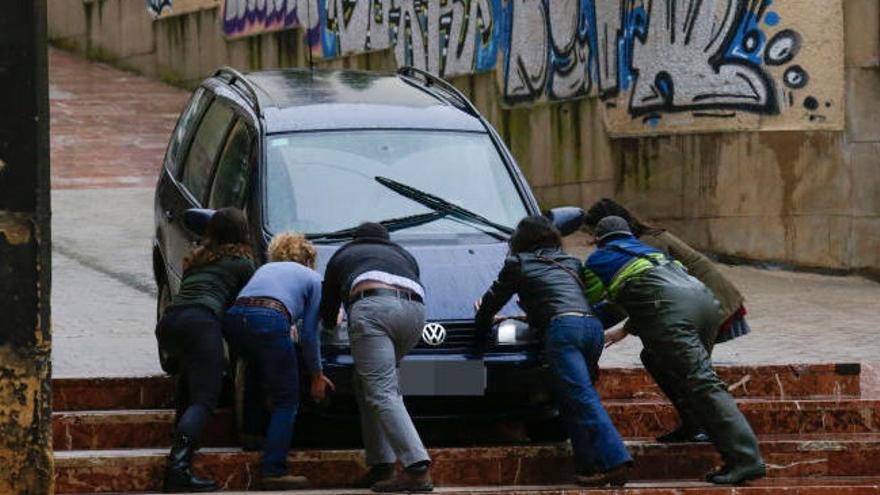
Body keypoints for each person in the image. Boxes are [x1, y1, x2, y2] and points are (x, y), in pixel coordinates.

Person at [583, 216, 765, 485]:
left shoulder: (599, 260)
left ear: (598, 241)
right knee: (658, 359)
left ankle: (746, 460)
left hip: (674, 313)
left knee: (703, 384)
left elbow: (597, 304)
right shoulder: (650, 250)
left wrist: (577, 324)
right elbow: (656, 289)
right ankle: (696, 425)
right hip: (706, 305)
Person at [474, 216, 633, 487]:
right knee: (571, 397)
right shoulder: (570, 262)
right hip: (591, 327)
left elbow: (492, 300)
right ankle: (588, 467)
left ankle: (616, 459)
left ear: (520, 240)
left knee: (581, 396)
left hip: (563, 332)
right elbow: (560, 300)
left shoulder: (518, 263)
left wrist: (480, 328)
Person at [319, 223, 432, 493]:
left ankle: (416, 467)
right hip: (415, 313)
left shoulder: (345, 253)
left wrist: (330, 325)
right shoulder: (403, 254)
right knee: (367, 382)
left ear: (356, 239)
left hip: (373, 308)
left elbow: (329, 307)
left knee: (381, 390)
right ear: (387, 241)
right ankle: (381, 464)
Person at [224, 232, 335, 490]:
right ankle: (273, 469)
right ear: (309, 258)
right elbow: (309, 335)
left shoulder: (266, 269)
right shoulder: (314, 278)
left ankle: (252, 436)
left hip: (234, 319)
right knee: (287, 399)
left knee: (255, 368)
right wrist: (317, 374)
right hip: (270, 318)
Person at [155, 208, 256, 493]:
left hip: (170, 324)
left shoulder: (198, 259)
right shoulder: (241, 263)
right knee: (203, 400)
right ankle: (177, 471)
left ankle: (181, 469)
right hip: (201, 323)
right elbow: (244, 306)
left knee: (188, 394)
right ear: (241, 233)